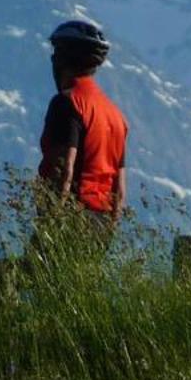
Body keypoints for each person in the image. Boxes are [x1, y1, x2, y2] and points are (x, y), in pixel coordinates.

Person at [35, 18, 128, 247]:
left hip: (70, 219)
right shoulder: (115, 115)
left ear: (62, 60)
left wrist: (49, 225)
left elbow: (63, 170)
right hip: (102, 225)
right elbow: (120, 188)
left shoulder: (67, 103)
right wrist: (109, 231)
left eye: (56, 53)